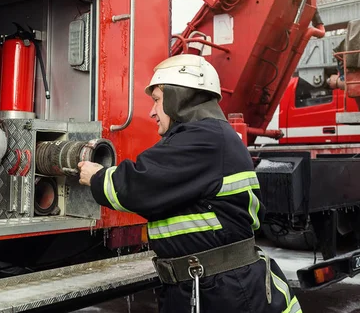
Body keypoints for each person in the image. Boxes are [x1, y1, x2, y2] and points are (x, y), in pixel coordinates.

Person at [77, 54, 302, 313]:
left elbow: (138, 187)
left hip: (224, 291)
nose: (151, 111)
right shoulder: (211, 137)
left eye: (157, 100)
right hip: (207, 285)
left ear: (178, 98)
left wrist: (96, 176)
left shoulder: (203, 139)